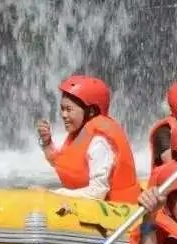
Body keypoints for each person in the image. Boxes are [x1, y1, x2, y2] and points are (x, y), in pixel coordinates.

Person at [35, 75, 141, 203]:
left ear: (90, 111)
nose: (63, 115)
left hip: (120, 211)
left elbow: (97, 192)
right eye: (62, 109)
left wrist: (52, 194)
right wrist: (47, 142)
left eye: (69, 110)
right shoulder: (80, 134)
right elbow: (61, 163)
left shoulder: (99, 142)